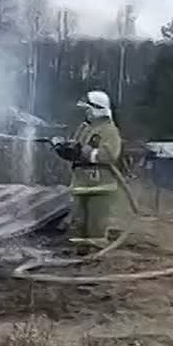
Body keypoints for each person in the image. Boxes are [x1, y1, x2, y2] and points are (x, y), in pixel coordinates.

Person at [51, 90, 123, 245]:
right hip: (81, 186)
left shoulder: (109, 130)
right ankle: (81, 256)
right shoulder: (84, 128)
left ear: (97, 109)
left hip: (100, 187)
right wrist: (62, 149)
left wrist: (84, 152)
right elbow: (75, 151)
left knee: (95, 226)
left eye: (88, 109)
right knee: (79, 226)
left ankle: (96, 260)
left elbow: (109, 155)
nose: (86, 113)